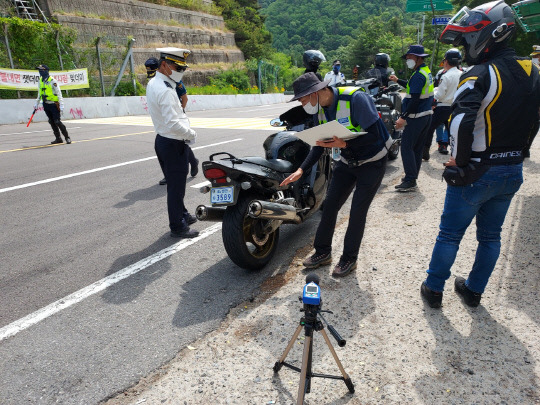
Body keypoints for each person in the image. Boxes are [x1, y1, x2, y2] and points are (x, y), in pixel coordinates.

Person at [420, 0, 540, 308]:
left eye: (467, 38)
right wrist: (521, 153)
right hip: (512, 169)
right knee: (491, 237)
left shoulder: (477, 74)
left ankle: (434, 289)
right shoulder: (534, 71)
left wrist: (458, 162)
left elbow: (460, 121)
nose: (465, 45)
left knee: (449, 235)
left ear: (489, 34)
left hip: (477, 169)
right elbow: (535, 120)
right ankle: (474, 291)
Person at [280, 72, 391, 277]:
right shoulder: (319, 111)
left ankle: (349, 258)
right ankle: (323, 252)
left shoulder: (356, 99)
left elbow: (376, 135)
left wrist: (345, 143)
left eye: (304, 99)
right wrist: (301, 169)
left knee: (357, 211)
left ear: (319, 91)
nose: (303, 104)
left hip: (372, 162)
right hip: (347, 161)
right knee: (329, 206)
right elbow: (319, 145)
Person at [146, 48, 199, 239]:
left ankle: (183, 214)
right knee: (176, 187)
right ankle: (177, 226)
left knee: (175, 184)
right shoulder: (166, 90)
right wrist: (190, 133)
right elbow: (173, 122)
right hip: (173, 141)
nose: (180, 70)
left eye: (182, 67)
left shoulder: (156, 82)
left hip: (163, 139)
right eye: (176, 66)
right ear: (164, 65)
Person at [145, 56, 199, 186]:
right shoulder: (156, 83)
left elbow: (184, 98)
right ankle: (168, 174)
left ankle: (193, 161)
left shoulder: (175, 81)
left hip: (176, 115)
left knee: (182, 144)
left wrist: (180, 111)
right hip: (167, 119)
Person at [389, 45, 434, 192]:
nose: (408, 60)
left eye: (410, 57)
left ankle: (409, 180)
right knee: (417, 149)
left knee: (407, 148)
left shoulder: (418, 75)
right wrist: (397, 80)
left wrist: (403, 118)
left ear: (419, 58)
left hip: (416, 117)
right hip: (426, 116)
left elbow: (414, 100)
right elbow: (411, 87)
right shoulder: (425, 72)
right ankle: (412, 178)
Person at [423, 49, 462, 158]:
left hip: (443, 107)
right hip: (456, 107)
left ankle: (425, 151)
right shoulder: (463, 74)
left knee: (430, 128)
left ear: (446, 61)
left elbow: (440, 94)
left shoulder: (446, 76)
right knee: (453, 131)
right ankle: (454, 153)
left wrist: (432, 100)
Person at [34, 64, 71, 145]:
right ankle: (58, 138)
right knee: (51, 121)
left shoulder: (53, 81)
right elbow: (39, 93)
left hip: (54, 104)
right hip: (46, 104)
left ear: (46, 71)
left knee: (57, 121)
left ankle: (67, 137)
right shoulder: (40, 80)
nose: (40, 72)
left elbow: (59, 93)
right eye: (39, 70)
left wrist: (61, 104)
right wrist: (36, 103)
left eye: (42, 70)